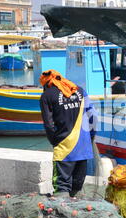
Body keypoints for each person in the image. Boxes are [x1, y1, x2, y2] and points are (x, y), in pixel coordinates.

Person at [39, 69, 97, 198]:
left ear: (46, 83)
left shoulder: (47, 96)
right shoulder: (79, 90)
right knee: (77, 191)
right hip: (83, 149)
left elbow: (49, 124)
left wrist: (55, 142)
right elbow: (93, 115)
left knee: (62, 189)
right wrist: (90, 137)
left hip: (65, 150)